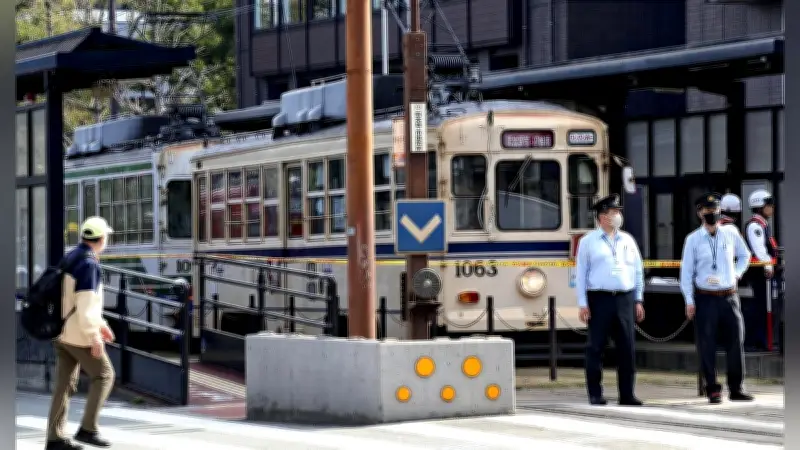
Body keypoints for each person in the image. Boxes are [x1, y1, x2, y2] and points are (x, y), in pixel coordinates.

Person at [46, 217, 116, 450]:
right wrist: (95, 336)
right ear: (102, 239)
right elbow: (86, 308)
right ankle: (88, 429)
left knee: (64, 385)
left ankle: (54, 438)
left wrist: (102, 323)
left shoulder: (71, 256)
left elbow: (74, 301)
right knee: (104, 375)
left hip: (61, 331)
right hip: (78, 334)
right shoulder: (89, 264)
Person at [679, 193, 753, 404]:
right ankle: (712, 388)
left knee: (736, 342)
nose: (712, 215)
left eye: (715, 211)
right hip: (705, 297)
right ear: (700, 213)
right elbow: (686, 273)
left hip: (729, 295)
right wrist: (689, 300)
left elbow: (745, 255)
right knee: (707, 344)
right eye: (708, 211)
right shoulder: (692, 239)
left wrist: (737, 273)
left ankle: (737, 387)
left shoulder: (730, 233)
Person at [575, 194, 645, 406]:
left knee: (627, 347)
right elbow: (580, 273)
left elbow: (638, 271)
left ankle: (627, 394)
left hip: (625, 297)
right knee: (596, 347)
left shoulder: (628, 240)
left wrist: (638, 299)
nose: (618, 216)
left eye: (618, 212)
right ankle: (595, 393)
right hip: (599, 298)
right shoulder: (588, 241)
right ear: (602, 216)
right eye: (613, 212)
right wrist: (582, 303)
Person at [744, 189, 779, 352]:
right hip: (759, 272)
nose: (772, 208)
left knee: (766, 306)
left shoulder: (763, 224)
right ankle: (758, 340)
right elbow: (759, 249)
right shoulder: (755, 225)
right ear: (760, 207)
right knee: (761, 306)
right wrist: (767, 265)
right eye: (769, 205)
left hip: (764, 272)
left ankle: (765, 339)